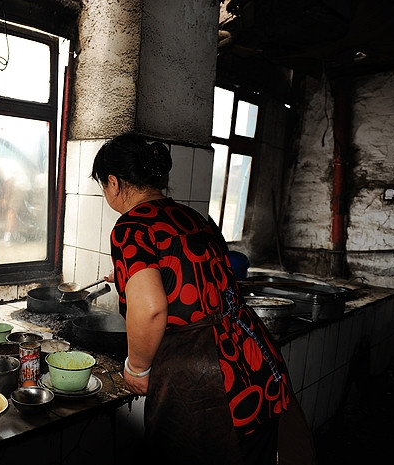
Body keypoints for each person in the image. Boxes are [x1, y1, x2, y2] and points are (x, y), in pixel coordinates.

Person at [91, 133, 313, 464]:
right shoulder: (193, 216)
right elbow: (196, 275)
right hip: (253, 357)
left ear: (114, 182)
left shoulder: (131, 227)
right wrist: (126, 279)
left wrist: (137, 368)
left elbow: (151, 309)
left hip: (205, 378)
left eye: (103, 186)